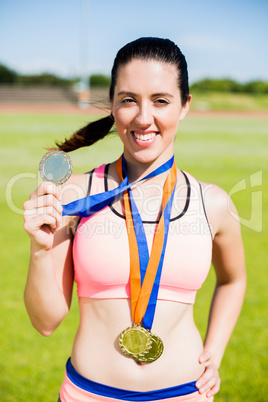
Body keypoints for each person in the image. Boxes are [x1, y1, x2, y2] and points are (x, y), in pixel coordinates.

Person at [23, 37, 246, 402]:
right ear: (113, 104)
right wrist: (38, 249)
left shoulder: (213, 202)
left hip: (186, 394)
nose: (144, 117)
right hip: (89, 395)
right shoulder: (75, 196)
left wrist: (215, 352)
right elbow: (45, 323)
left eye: (161, 100)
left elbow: (233, 280)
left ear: (185, 105)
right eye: (129, 99)